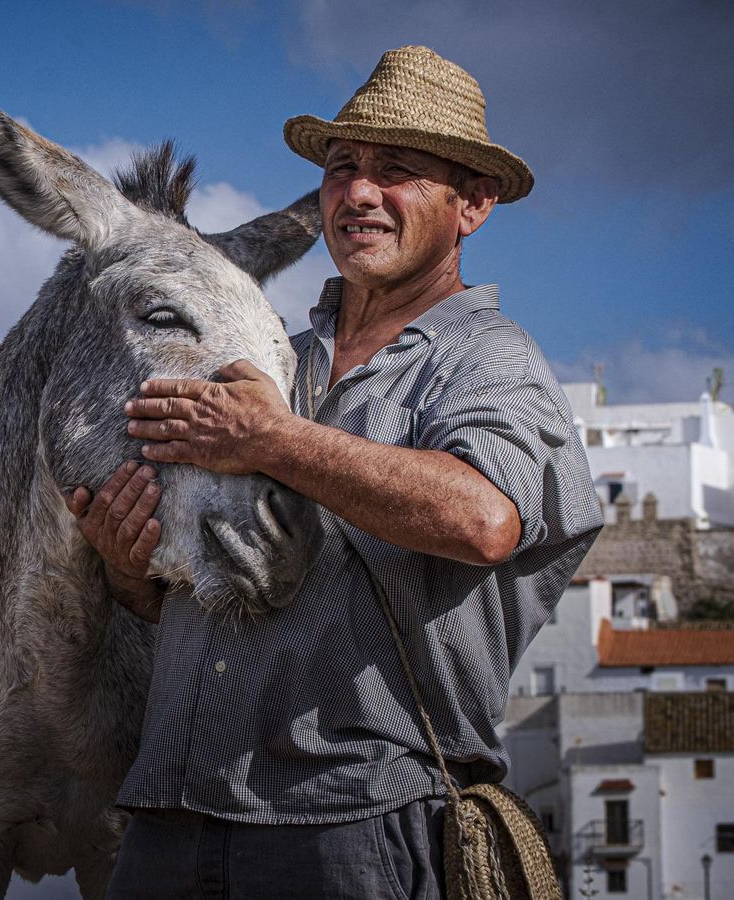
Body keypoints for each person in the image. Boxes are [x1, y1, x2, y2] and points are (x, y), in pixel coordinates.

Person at [63, 45, 603, 898]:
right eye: (342, 167)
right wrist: (130, 569)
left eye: (398, 172)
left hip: (354, 829)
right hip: (169, 819)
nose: (356, 192)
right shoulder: (274, 356)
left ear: (474, 204)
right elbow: (186, 596)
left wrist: (272, 442)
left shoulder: (490, 362)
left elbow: (483, 521)